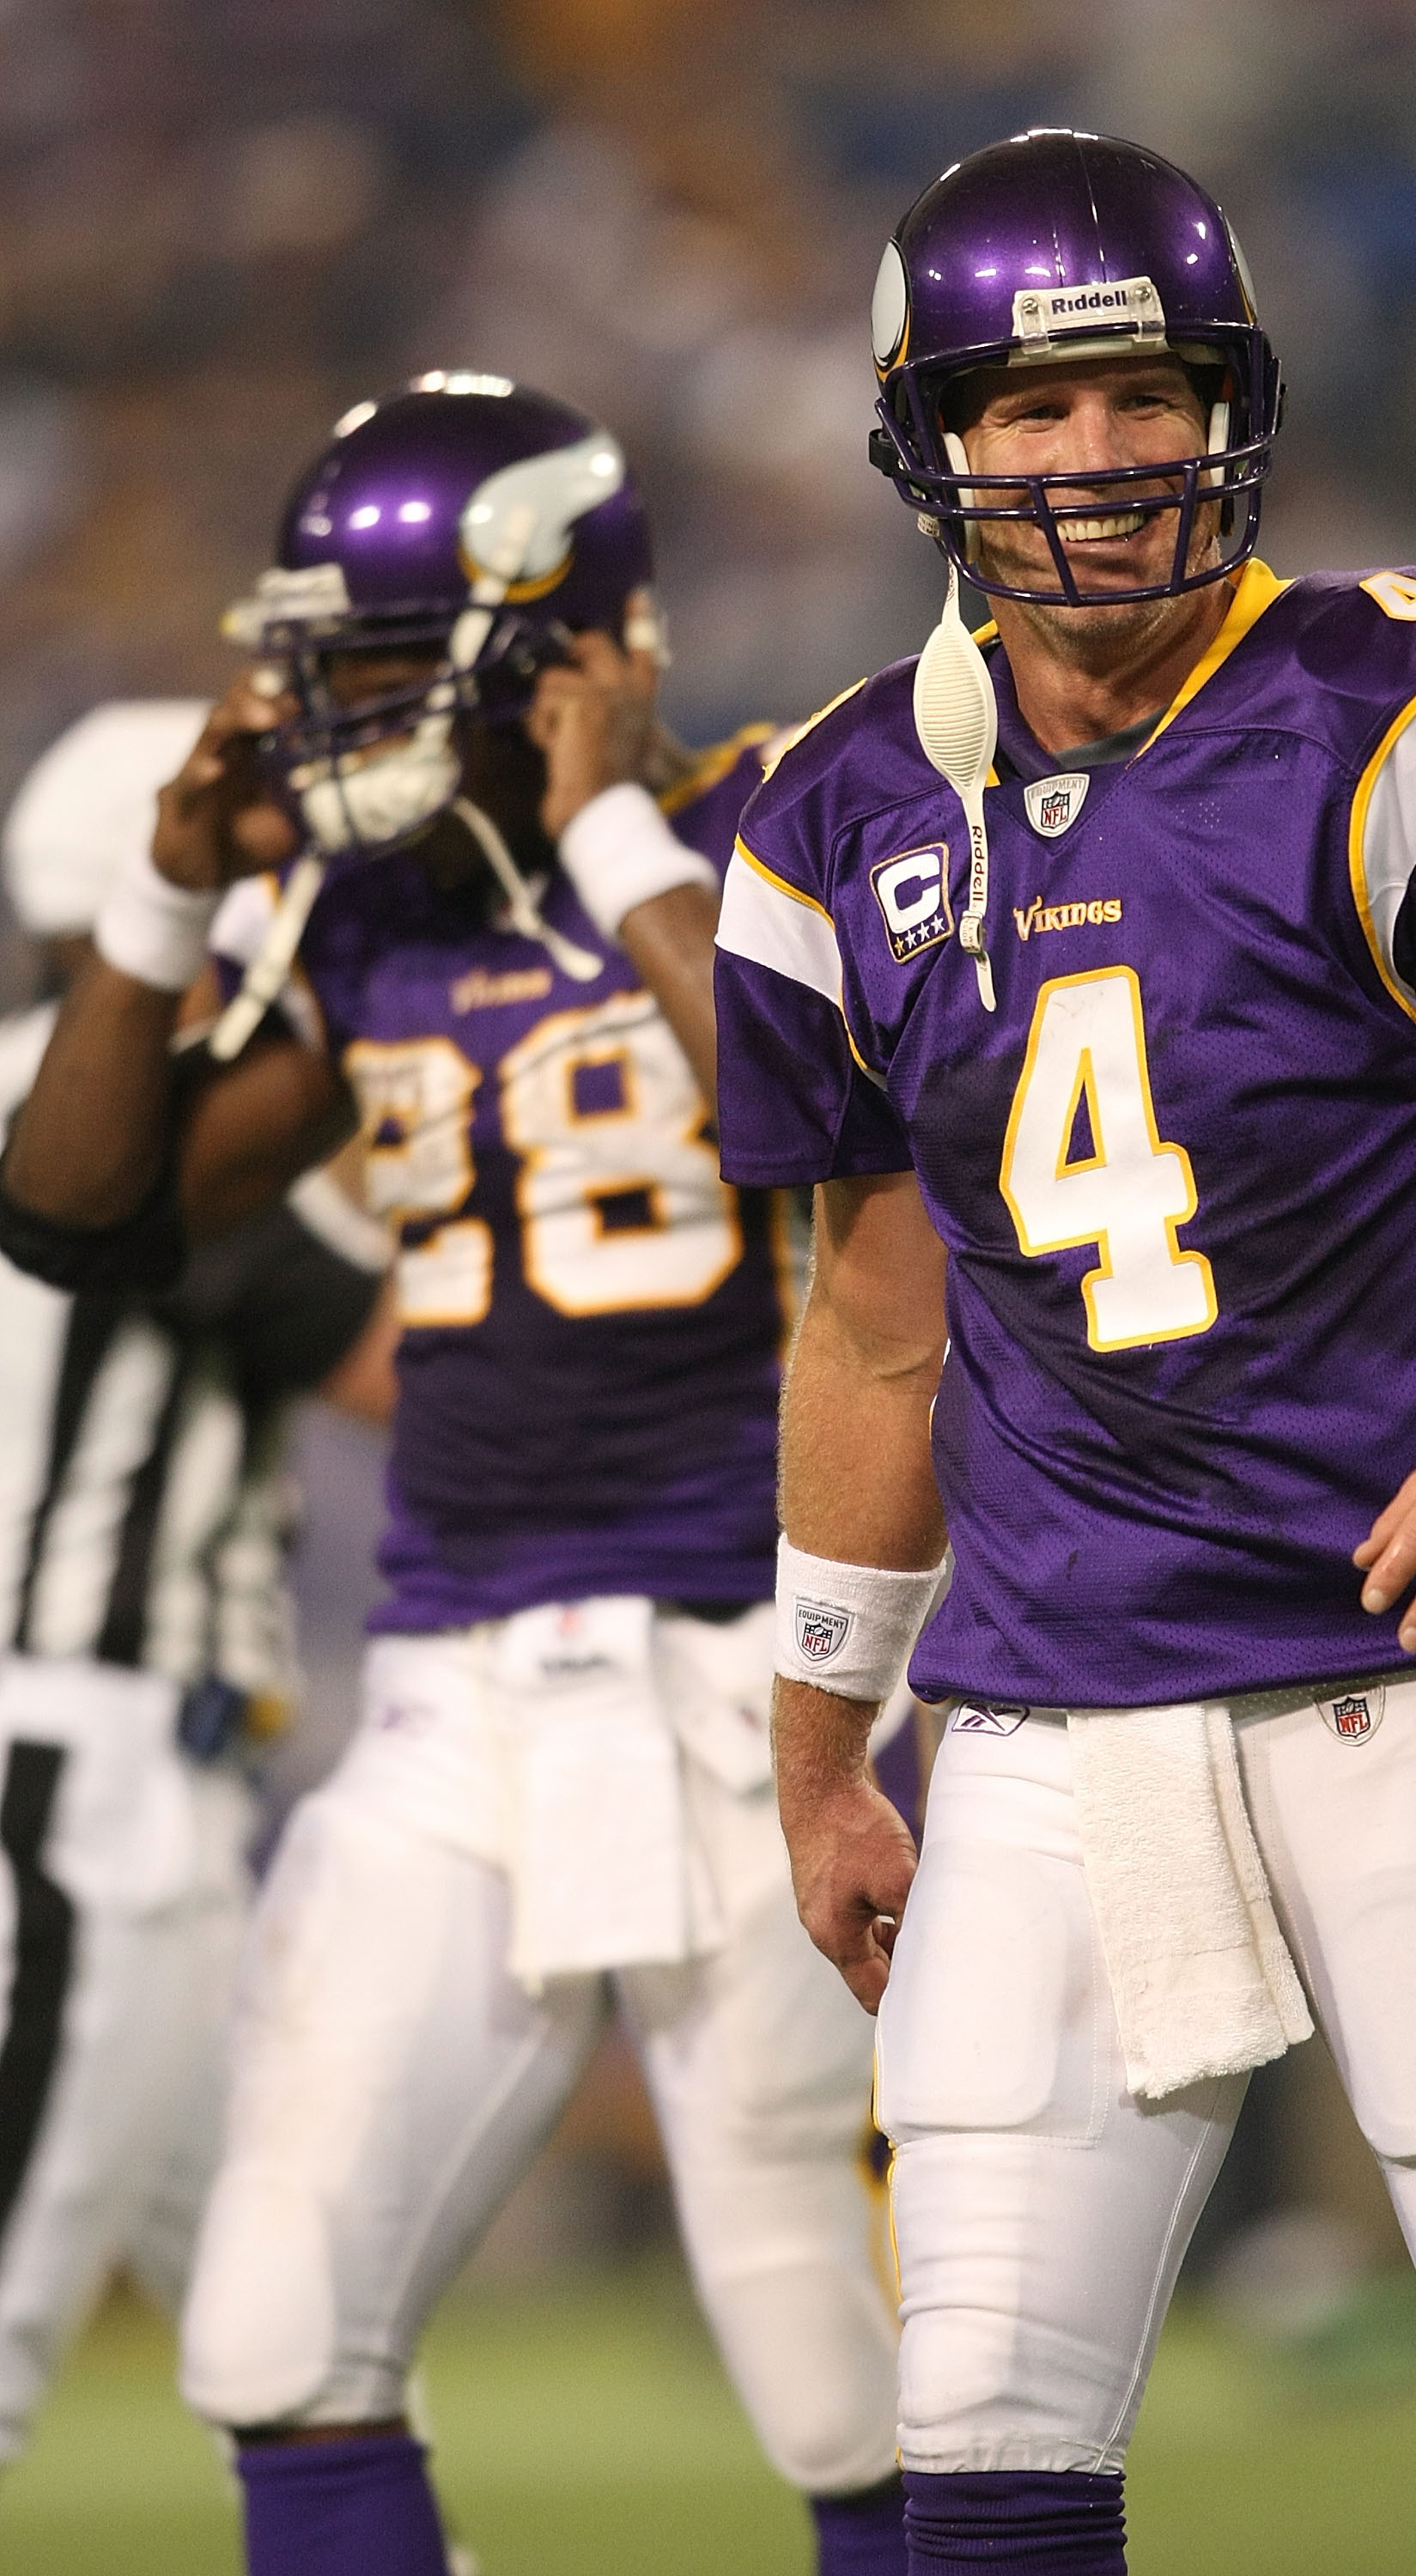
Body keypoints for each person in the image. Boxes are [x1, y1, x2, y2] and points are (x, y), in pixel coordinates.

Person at [712, 128, 1416, 2575]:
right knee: (984, 2443)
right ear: (936, 442)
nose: (1102, 453)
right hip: (1035, 1714)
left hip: (1400, 1663)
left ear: (1234, 399)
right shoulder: (827, 816)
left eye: (1149, 392)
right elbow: (875, 1326)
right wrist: (816, 1747)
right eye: (1034, 407)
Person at [0, 379, 905, 2576]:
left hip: (768, 1667)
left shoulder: (791, 807)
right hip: (457, 1684)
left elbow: (813, 1113)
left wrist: (612, 845)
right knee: (280, 2332)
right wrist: (161, 899)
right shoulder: (367, 910)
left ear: (568, 646)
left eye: (389, 661)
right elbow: (85, 1217)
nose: (338, 712)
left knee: (861, 2365)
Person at [0, 700, 393, 2474]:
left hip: (139, 1793)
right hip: (77, 1785)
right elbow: (404, 1366)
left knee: (312, 2337)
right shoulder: (120, 1122)